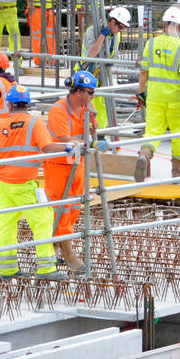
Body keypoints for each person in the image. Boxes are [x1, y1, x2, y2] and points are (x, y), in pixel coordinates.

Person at [0, 84, 74, 280]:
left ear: (9, 105)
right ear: (27, 104)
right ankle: (46, 269)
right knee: (43, 220)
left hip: (3, 182)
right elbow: (48, 148)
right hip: (25, 183)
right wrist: (68, 146)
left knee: (6, 225)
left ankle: (8, 270)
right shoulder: (34, 123)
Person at [45, 71, 111, 273]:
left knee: (74, 207)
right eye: (90, 93)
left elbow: (85, 134)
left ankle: (56, 244)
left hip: (78, 164)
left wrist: (93, 128)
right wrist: (91, 142)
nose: (92, 97)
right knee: (60, 208)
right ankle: (67, 251)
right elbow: (67, 140)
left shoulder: (85, 108)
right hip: (59, 166)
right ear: (79, 92)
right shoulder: (58, 110)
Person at [135, 6, 180, 182]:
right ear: (179, 26)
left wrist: (141, 93)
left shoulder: (151, 43)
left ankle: (144, 156)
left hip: (154, 97)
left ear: (163, 24)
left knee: (152, 132)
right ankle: (176, 174)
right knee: (179, 135)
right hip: (177, 100)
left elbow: (143, 71)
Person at [73, 6, 130, 128]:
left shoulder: (116, 36)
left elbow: (114, 53)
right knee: (85, 105)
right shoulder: (92, 31)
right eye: (120, 27)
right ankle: (84, 133)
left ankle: (100, 133)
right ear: (112, 22)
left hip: (101, 75)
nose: (120, 30)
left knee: (102, 106)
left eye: (123, 28)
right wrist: (102, 36)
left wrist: (111, 61)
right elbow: (92, 54)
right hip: (86, 73)